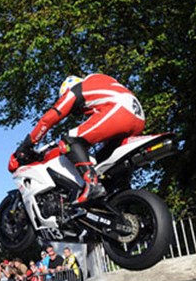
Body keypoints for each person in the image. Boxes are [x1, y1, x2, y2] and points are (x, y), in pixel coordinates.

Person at [10, 73, 146, 204]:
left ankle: (92, 184)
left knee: (70, 140)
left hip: (119, 110)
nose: (79, 111)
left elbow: (49, 119)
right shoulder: (99, 81)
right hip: (139, 116)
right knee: (104, 160)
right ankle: (122, 193)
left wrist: (27, 145)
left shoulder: (75, 90)